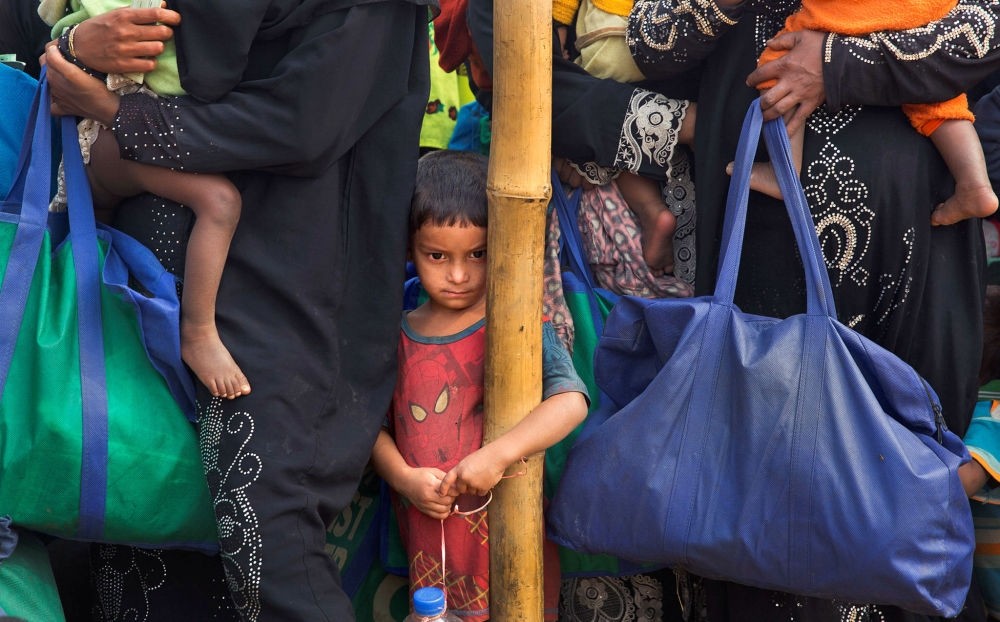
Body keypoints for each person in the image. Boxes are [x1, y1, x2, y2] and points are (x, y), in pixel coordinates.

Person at [43, 0, 434, 618]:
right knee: (138, 526)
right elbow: (66, 50)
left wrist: (119, 112)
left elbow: (301, 123)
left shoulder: (372, 12)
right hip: (142, 285)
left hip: (284, 290)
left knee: (265, 543)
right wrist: (80, 49)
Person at [625, 0, 1000, 620]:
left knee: (909, 464)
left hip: (910, 229)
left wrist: (841, 64)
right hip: (763, 232)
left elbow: (985, 30)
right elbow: (652, 42)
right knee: (761, 472)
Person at [371, 149, 589, 621]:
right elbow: (370, 426)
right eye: (436, 256)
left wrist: (498, 455)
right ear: (410, 249)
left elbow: (571, 402)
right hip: (431, 538)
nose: (458, 275)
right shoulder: (397, 331)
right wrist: (404, 479)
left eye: (477, 254)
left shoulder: (517, 325)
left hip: (510, 535)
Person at [38, 0, 249, 400]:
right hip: (104, 139)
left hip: (103, 144)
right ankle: (198, 332)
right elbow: (176, 76)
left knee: (89, 269)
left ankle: (87, 369)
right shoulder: (123, 9)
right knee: (220, 201)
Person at [745, 0, 999, 229]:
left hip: (861, 8)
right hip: (927, 9)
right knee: (939, 100)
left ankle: (784, 171)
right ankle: (975, 184)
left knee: (780, 61)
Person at [552, 0, 690, 275]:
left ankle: (650, 208)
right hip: (671, 33)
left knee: (613, 126)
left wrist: (558, 25)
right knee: (629, 113)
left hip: (608, 34)